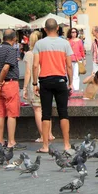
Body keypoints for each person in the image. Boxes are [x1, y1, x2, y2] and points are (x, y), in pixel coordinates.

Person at [33, 19, 73, 152]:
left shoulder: (39, 44)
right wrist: (71, 82)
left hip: (45, 81)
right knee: (63, 112)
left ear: (45, 29)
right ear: (57, 28)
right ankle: (66, 144)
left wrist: (34, 83)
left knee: (46, 113)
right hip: (61, 80)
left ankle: (45, 145)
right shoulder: (65, 43)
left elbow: (35, 65)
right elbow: (69, 65)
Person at [0, 29, 25, 149]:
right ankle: (11, 141)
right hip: (10, 83)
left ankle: (0, 141)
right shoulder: (11, 50)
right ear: (14, 39)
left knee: (0, 113)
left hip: (0, 85)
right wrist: (1, 79)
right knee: (11, 114)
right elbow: (6, 68)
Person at [22, 31, 54, 143]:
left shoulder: (30, 54)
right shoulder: (47, 52)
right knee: (47, 109)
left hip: (35, 83)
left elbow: (27, 72)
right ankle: (50, 133)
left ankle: (43, 135)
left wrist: (24, 88)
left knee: (37, 109)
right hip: (48, 81)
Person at [68, 27, 85, 92]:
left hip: (78, 59)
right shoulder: (68, 41)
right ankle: (71, 86)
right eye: (72, 32)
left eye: (75, 32)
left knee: (76, 75)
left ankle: (76, 88)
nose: (74, 33)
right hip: (70, 59)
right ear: (70, 33)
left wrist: (84, 59)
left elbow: (82, 50)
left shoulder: (79, 41)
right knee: (70, 74)